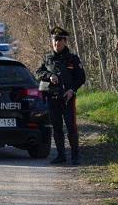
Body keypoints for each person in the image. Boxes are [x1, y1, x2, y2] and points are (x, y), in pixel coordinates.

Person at [35, 26, 86, 165]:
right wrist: (49, 76)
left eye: (58, 41)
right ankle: (61, 155)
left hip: (68, 98)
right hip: (52, 98)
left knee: (71, 127)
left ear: (64, 42)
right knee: (56, 128)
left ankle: (75, 156)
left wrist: (72, 90)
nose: (56, 44)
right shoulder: (48, 58)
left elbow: (81, 78)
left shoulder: (72, 59)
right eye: (54, 41)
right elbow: (38, 72)